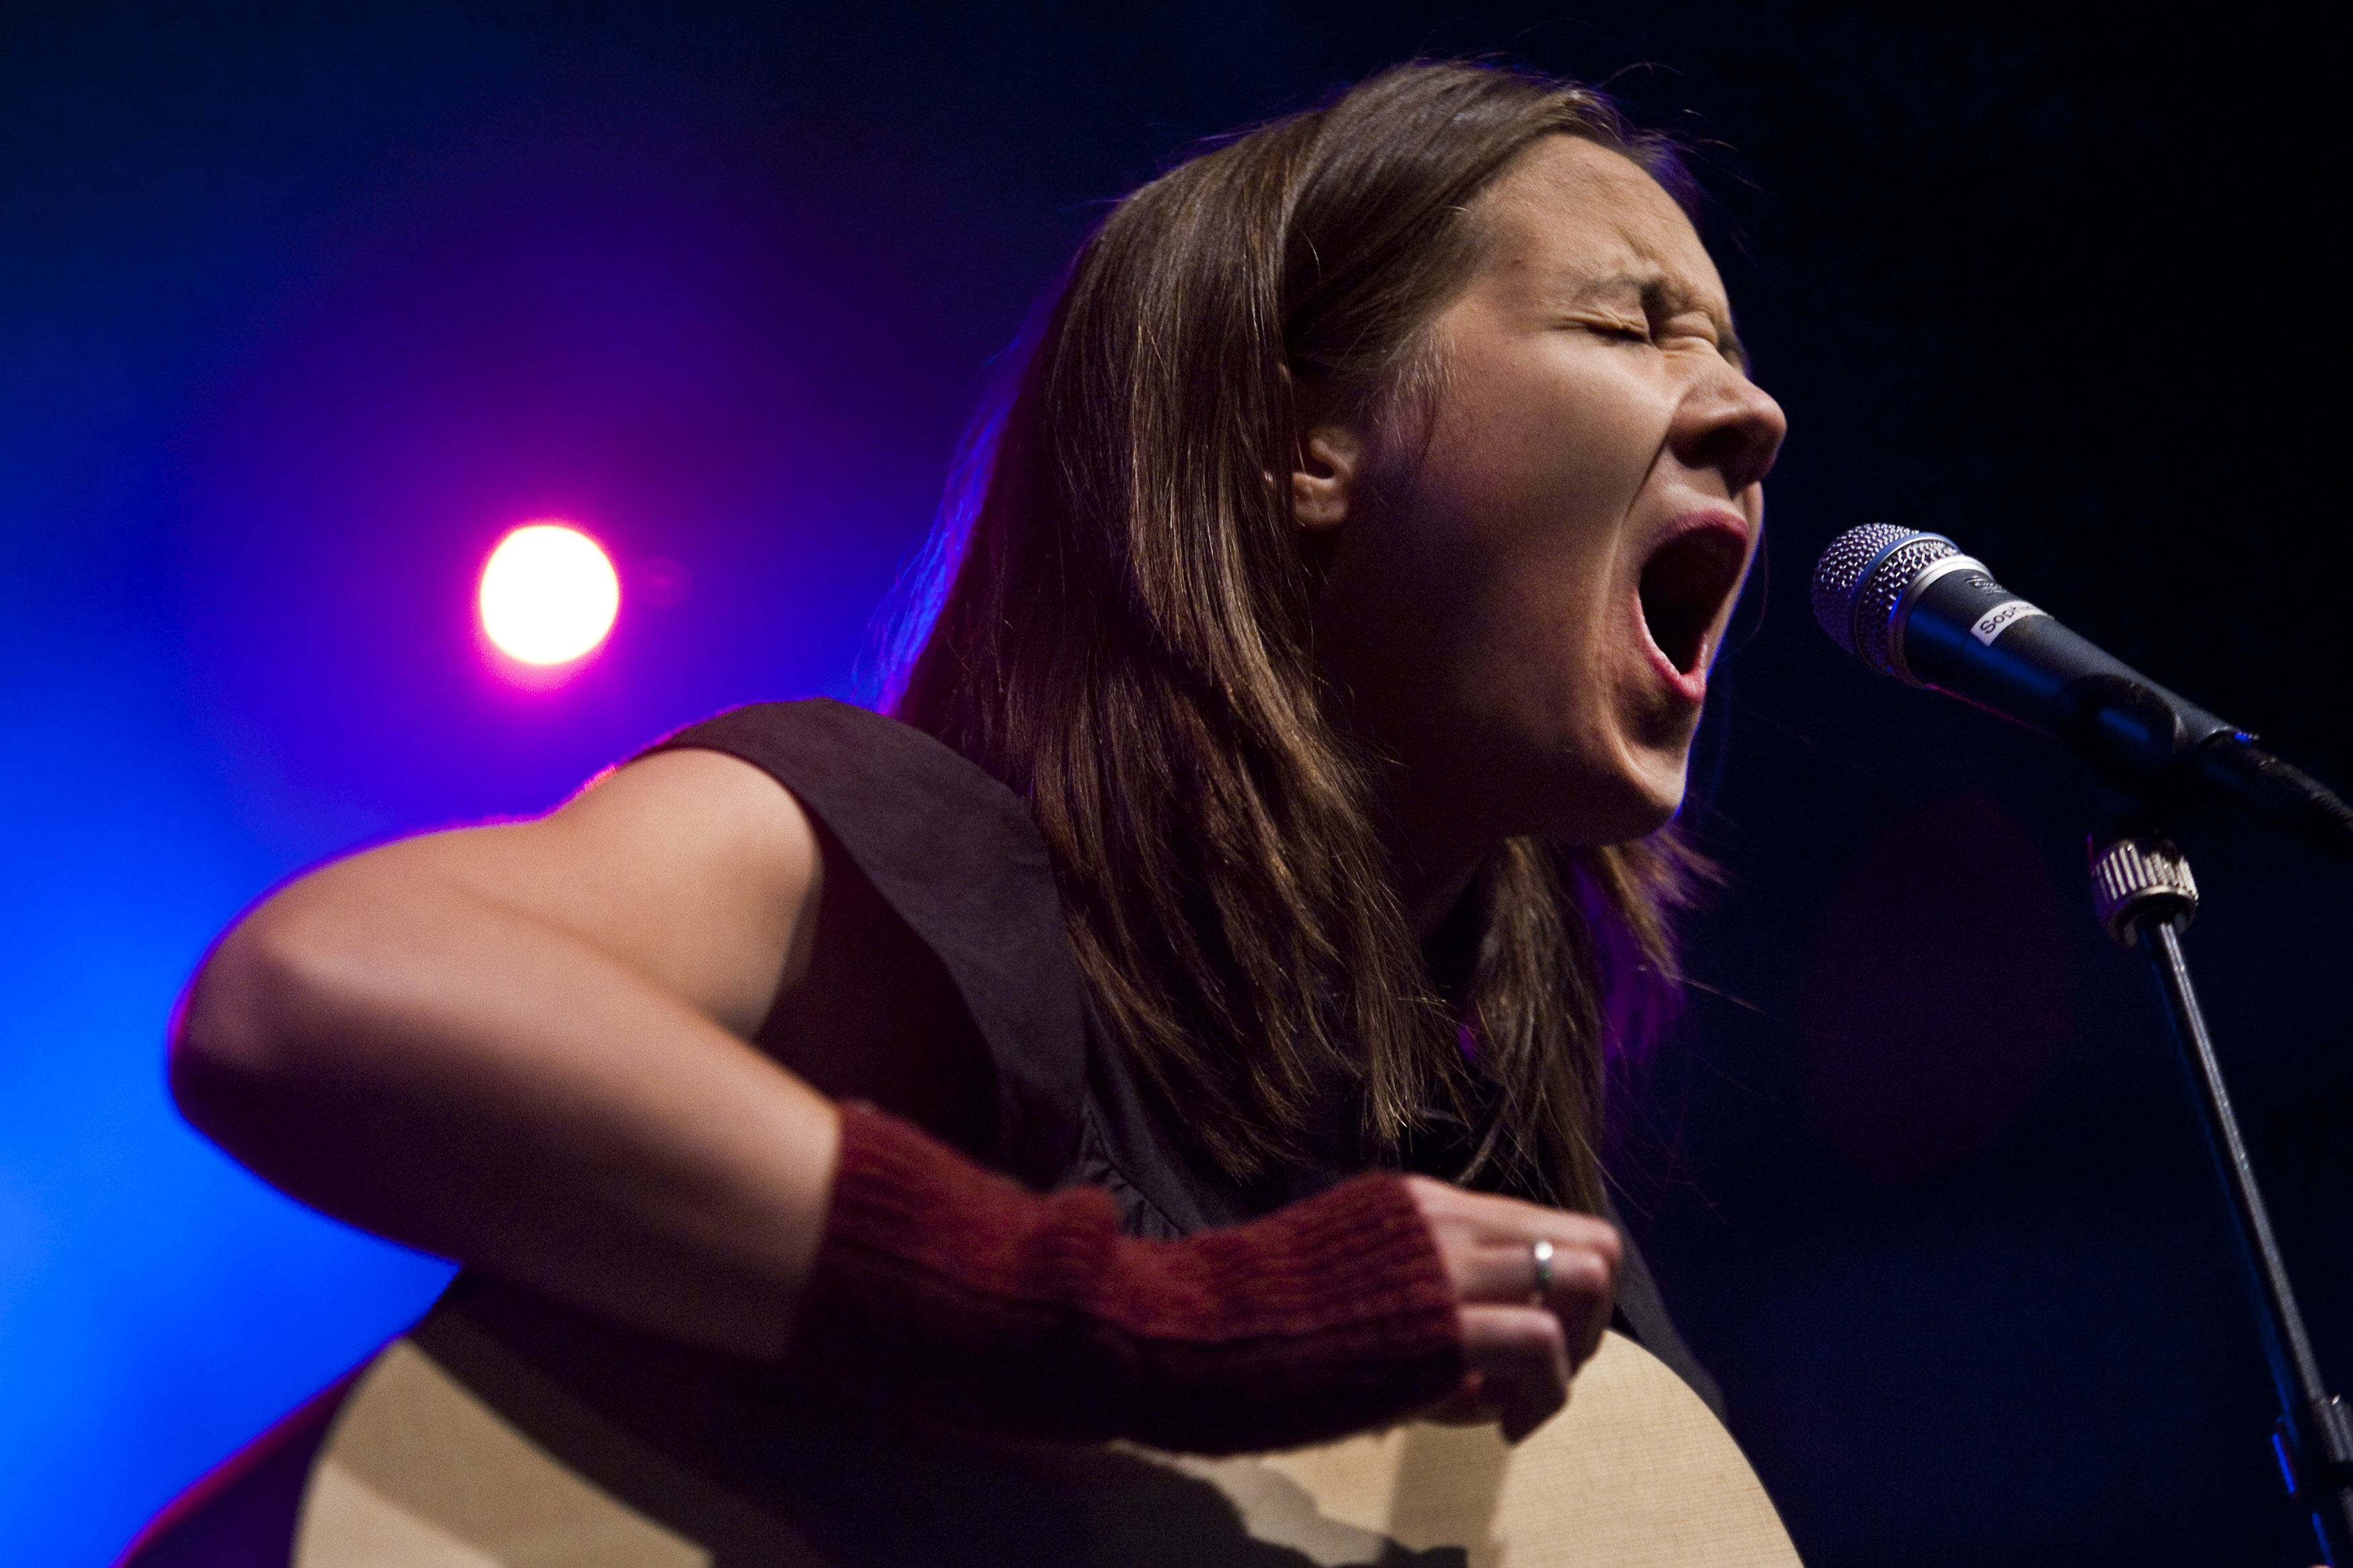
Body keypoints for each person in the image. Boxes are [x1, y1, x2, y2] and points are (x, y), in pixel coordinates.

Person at [124, 58, 1784, 1562]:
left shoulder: (1553, 1297)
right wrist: (1139, 1328)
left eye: (1726, 350)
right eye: (1627, 327)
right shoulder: (923, 865)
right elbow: (316, 992)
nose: (1750, 415)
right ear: (1304, 443)